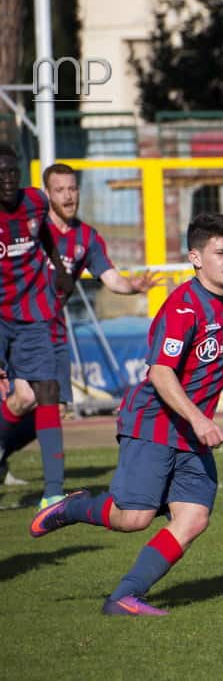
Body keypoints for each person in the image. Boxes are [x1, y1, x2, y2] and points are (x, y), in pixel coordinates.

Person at [29, 212, 223, 617]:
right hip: (155, 423)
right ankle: (73, 507)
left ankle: (124, 597)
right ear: (196, 258)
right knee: (133, 518)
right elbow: (160, 372)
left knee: (194, 517)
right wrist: (200, 419)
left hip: (189, 434)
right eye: (221, 252)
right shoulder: (184, 307)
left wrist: (197, 422)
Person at [0, 163, 159, 486]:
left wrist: (132, 286)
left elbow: (109, 276)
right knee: (27, 396)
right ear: (46, 194)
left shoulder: (86, 237)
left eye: (73, 189)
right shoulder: (29, 226)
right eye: (60, 190)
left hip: (53, 330)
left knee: (45, 404)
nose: (68, 196)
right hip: (19, 325)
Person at [0, 144, 75, 508]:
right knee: (20, 397)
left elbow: (43, 233)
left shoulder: (34, 202)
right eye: (1, 173)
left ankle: (53, 493)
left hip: (31, 314)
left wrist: (59, 268)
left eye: (13, 172)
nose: (8, 179)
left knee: (44, 391)